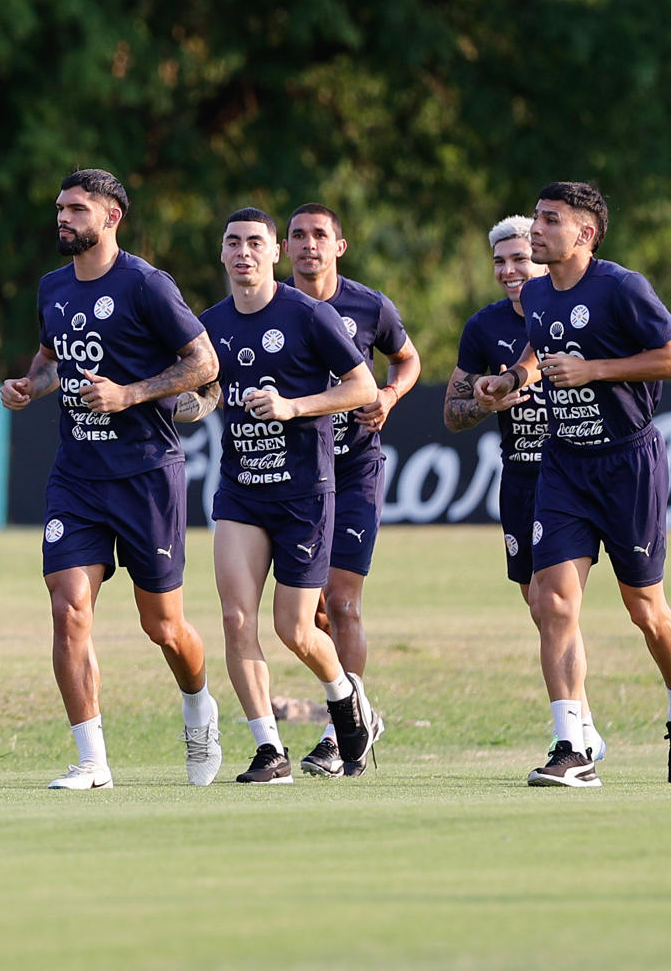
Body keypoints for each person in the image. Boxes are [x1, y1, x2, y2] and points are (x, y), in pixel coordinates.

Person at [476, 182, 671, 787]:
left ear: (585, 233)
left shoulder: (622, 287)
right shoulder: (538, 293)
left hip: (628, 463)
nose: (536, 231)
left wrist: (594, 370)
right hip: (564, 463)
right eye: (535, 220)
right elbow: (537, 345)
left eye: (550, 221)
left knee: (645, 608)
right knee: (551, 602)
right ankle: (571, 745)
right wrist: (511, 379)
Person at [0, 169, 224, 790]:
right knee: (68, 609)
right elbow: (50, 361)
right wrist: (29, 386)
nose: (63, 218)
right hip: (76, 477)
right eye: (60, 208)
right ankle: (92, 760)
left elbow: (204, 363)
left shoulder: (147, 284)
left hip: (146, 474)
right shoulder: (52, 287)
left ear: (111, 216)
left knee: (164, 628)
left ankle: (199, 705)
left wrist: (130, 393)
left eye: (76, 208)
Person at [186, 209, 381, 784]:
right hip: (241, 491)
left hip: (304, 492)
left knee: (295, 629)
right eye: (232, 243)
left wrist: (294, 406)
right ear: (222, 255)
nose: (243, 252)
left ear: (274, 253)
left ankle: (347, 700)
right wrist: (187, 403)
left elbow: (363, 386)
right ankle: (269, 750)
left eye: (254, 243)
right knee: (234, 617)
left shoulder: (308, 314)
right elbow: (201, 388)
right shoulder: (209, 324)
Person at [444, 215, 604, 765]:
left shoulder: (567, 308)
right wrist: (484, 403)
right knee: (540, 608)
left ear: (542, 258)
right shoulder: (483, 327)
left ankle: (575, 731)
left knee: (554, 604)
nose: (510, 270)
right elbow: (453, 412)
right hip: (520, 478)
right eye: (499, 261)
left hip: (576, 474)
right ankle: (583, 721)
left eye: (519, 258)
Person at [282, 203, 419, 777]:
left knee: (341, 602)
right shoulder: (271, 304)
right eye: (298, 236)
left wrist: (388, 395)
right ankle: (356, 705)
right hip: (292, 476)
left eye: (320, 235)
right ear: (284, 247)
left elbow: (407, 360)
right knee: (309, 613)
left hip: (354, 472)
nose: (308, 244)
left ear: (340, 245)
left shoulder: (368, 305)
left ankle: (344, 733)